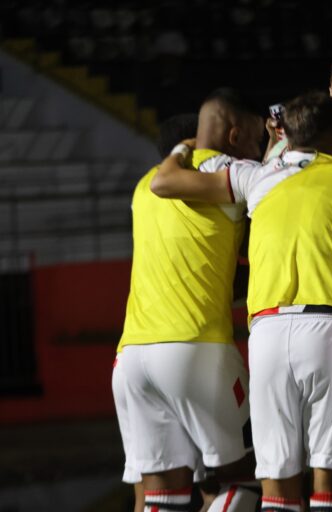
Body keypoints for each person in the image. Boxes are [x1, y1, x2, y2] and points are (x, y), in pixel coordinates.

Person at [152, 91, 332, 511]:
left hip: (266, 333)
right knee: (329, 484)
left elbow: (166, 182)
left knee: (277, 489)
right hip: (331, 332)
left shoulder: (258, 177)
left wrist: (184, 146)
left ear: (287, 134)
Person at [113, 88, 264, 512]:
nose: (258, 148)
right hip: (195, 348)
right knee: (249, 482)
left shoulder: (144, 187)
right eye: (255, 138)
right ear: (234, 135)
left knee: (162, 498)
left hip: (132, 359)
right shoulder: (230, 173)